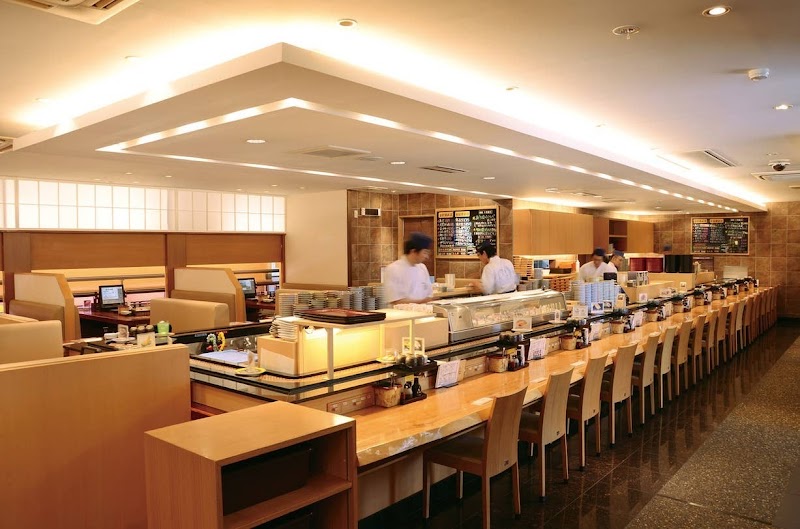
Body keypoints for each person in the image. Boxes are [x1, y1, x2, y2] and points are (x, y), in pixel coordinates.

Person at [384, 232, 434, 305]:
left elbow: (429, 294)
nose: (427, 257)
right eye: (424, 253)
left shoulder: (422, 267)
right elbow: (395, 301)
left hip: (424, 310)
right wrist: (422, 302)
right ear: (413, 251)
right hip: (402, 312)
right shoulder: (393, 269)